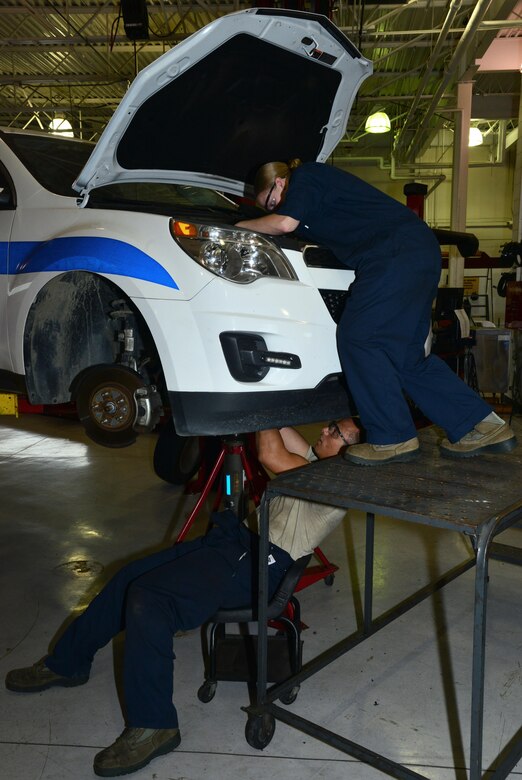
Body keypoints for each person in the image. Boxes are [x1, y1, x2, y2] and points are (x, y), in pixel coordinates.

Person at [5, 418, 359, 778]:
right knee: (131, 577)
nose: (326, 431)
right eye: (331, 425)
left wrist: (255, 403)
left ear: (353, 452)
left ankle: (155, 725)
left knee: (149, 600)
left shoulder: (337, 480)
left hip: (256, 567)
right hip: (236, 544)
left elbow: (269, 452)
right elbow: (280, 425)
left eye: (337, 433)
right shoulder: (320, 460)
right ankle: (69, 662)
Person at [236, 160, 517, 465]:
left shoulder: (306, 176)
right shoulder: (320, 200)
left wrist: (238, 228)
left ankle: (392, 437)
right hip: (417, 252)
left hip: (393, 254)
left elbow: (283, 224)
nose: (274, 209)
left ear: (279, 183)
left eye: (272, 202)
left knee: (358, 338)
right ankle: (483, 424)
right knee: (408, 359)